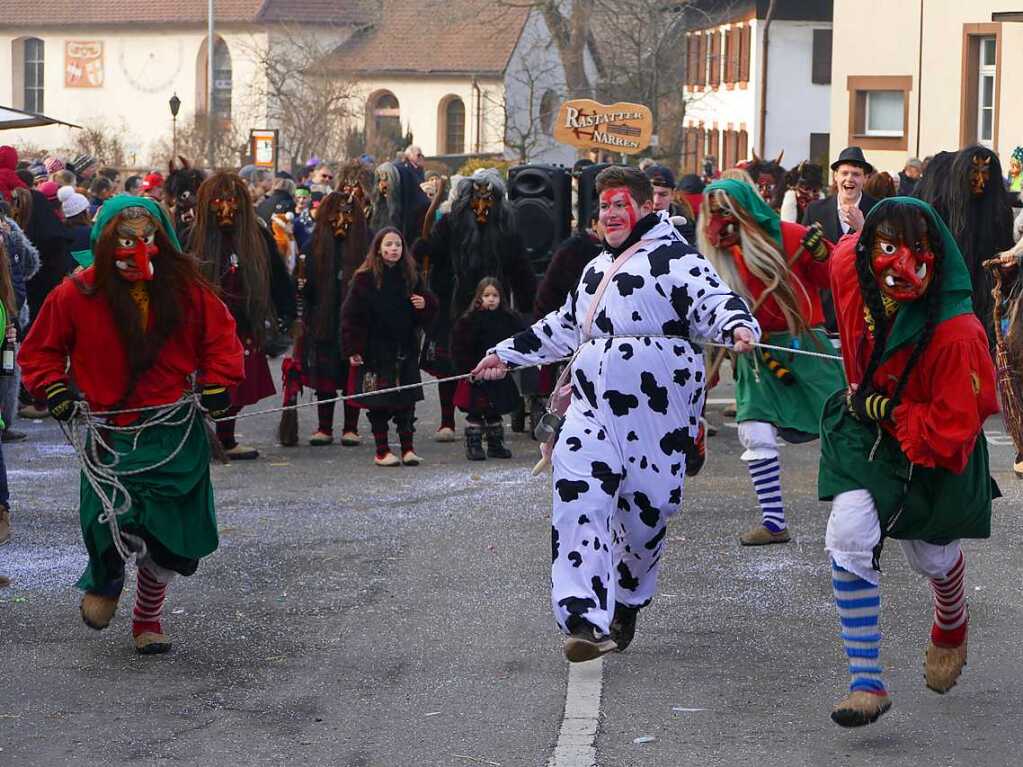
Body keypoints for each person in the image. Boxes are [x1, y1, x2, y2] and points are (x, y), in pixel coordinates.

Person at [472, 166, 759, 661]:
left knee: (648, 513)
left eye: (619, 204)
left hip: (658, 415)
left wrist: (736, 324)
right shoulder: (592, 269)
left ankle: (626, 600)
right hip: (591, 408)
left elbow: (715, 300)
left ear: (647, 206)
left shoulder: (677, 260)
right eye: (603, 206)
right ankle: (583, 616)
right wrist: (506, 354)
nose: (608, 214)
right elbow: (564, 325)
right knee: (576, 495)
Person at [18, 195, 244, 654]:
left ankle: (148, 614)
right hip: (109, 431)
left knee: (172, 535)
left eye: (146, 240)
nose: (136, 250)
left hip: (173, 430)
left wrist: (219, 382)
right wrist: (54, 388)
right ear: (104, 241)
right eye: (124, 240)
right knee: (106, 521)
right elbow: (39, 351)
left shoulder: (187, 290)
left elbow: (221, 339)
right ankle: (106, 582)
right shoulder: (75, 292)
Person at [819, 197, 998, 727]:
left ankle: (951, 619)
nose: (903, 264)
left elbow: (957, 423)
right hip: (864, 435)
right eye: (889, 248)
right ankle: (866, 682)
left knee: (933, 559)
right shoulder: (850, 272)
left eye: (918, 250)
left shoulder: (959, 334)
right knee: (849, 533)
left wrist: (898, 407)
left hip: (933, 441)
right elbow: (842, 252)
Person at [698, 179, 846, 545]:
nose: (719, 221)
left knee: (844, 427)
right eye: (712, 212)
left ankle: (862, 508)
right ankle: (774, 521)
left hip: (803, 345)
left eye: (727, 210)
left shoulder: (792, 236)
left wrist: (826, 253)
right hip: (755, 353)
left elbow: (835, 280)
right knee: (755, 431)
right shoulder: (717, 255)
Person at [415, 169, 536, 442]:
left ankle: (488, 417)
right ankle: (446, 420)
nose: (482, 207)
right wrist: (422, 248)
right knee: (449, 364)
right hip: (454, 304)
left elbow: (520, 268)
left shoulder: (506, 227)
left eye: (488, 199)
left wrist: (529, 304)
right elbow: (433, 251)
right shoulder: (450, 223)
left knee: (490, 362)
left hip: (493, 304)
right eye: (476, 198)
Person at [184, 172, 296, 459]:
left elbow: (277, 275)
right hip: (202, 325)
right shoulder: (191, 236)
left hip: (245, 322)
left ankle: (226, 437)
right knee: (202, 385)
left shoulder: (257, 236)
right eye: (218, 200)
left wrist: (286, 311)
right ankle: (201, 438)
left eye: (232, 200)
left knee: (237, 385)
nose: (225, 208)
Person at [341, 227, 437, 467]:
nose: (393, 249)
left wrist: (424, 304)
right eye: (388, 245)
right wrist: (353, 348)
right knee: (379, 404)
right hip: (374, 351)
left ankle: (408, 449)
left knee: (406, 402)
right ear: (378, 248)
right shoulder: (364, 278)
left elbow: (429, 310)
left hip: (404, 348)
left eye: (397, 245)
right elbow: (350, 316)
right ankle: (382, 451)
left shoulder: (412, 276)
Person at [918, 146, 1013, 350]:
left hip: (983, 292)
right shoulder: (942, 202)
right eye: (974, 173)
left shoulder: (995, 210)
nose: (980, 181)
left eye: (985, 173)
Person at [297, 189, 368, 446]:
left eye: (346, 213)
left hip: (355, 321)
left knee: (353, 375)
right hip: (323, 321)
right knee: (324, 379)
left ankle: (351, 428)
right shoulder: (313, 244)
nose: (340, 219)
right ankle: (323, 427)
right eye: (335, 213)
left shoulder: (364, 244)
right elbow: (304, 287)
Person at [451, 278, 525, 460]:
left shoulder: (509, 319)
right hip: (475, 374)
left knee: (494, 411)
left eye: (495, 295)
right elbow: (458, 348)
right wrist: (467, 370)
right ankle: (474, 445)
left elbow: (520, 341)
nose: (491, 299)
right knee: (475, 412)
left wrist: (511, 365)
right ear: (479, 297)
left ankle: (495, 444)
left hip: (499, 375)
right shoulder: (468, 321)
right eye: (486, 295)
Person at [803, 147, 877, 243]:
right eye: (844, 173)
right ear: (835, 176)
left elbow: (885, 254)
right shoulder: (814, 210)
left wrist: (862, 229)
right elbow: (803, 252)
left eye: (856, 174)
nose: (849, 179)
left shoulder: (878, 211)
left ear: (865, 178)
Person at [643, 164, 695, 242]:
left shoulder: (684, 227)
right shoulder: (629, 226)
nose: (656, 201)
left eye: (663, 195)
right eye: (651, 194)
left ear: (673, 194)